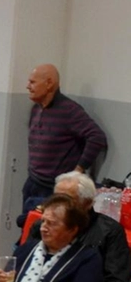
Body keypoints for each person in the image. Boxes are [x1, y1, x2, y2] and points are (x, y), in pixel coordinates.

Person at [23, 171, 129, 282]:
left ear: (87, 203)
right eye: (56, 199)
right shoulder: (42, 227)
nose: (59, 206)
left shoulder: (110, 231)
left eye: (67, 200)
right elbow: (26, 266)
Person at [22, 63, 107, 211]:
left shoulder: (69, 110)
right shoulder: (36, 108)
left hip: (53, 190)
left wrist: (78, 170)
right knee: (28, 229)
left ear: (49, 83)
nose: (27, 86)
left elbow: (96, 137)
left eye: (32, 82)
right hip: (33, 183)